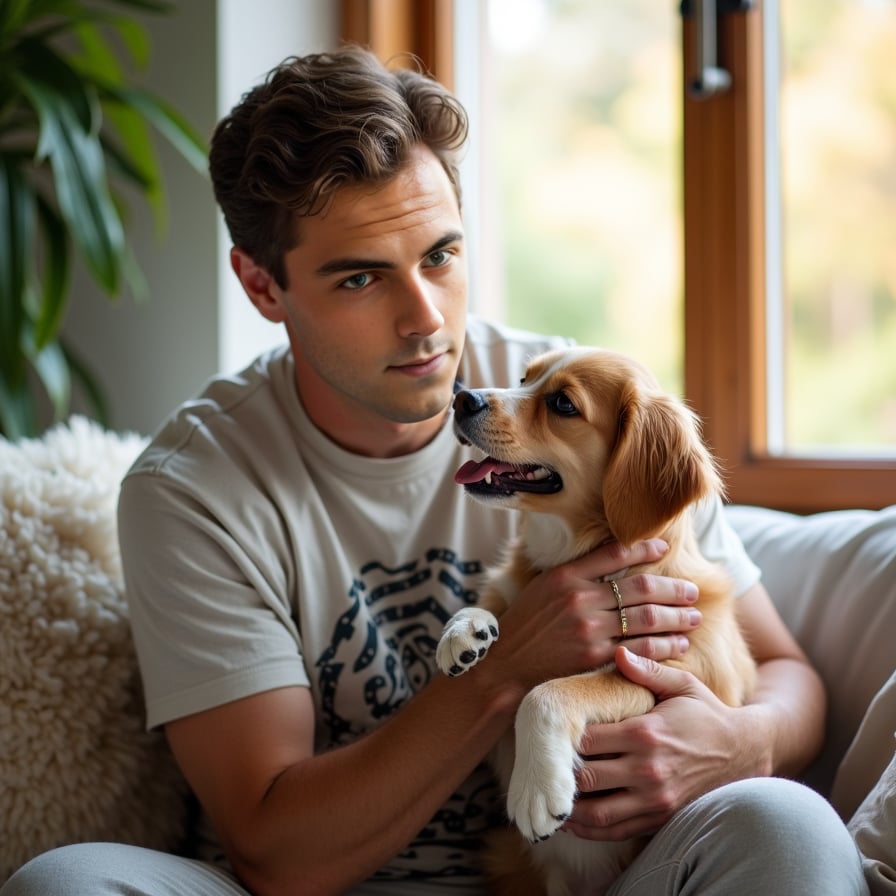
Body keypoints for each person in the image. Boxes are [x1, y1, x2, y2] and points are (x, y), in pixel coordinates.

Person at [1, 45, 866, 896]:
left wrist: (740, 744)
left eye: (441, 256)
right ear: (264, 288)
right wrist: (505, 670)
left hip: (591, 880)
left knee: (786, 826)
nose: (425, 322)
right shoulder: (194, 491)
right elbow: (276, 854)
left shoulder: (567, 401)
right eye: (361, 279)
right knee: (67, 884)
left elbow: (789, 679)